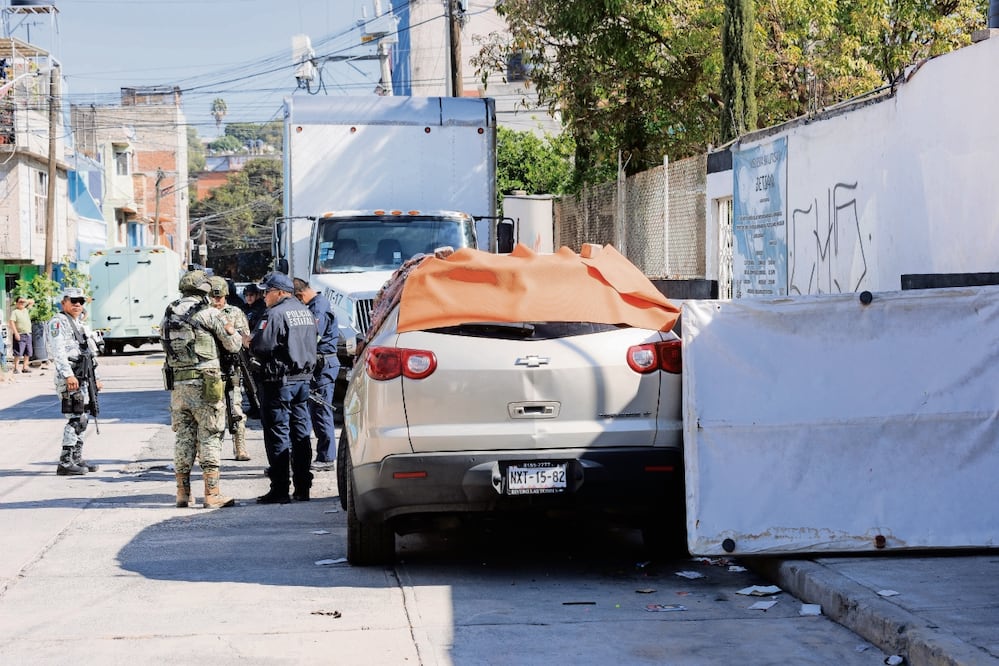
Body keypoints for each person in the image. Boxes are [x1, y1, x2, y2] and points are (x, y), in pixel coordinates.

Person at [161, 269, 243, 509]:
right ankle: (212, 493)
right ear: (205, 290)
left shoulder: (168, 313)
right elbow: (234, 344)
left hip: (178, 385)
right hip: (206, 384)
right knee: (210, 433)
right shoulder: (208, 313)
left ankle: (182, 493)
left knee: (184, 437)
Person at [245, 271, 317, 504]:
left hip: (279, 382)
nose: (264, 296)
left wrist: (247, 340)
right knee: (301, 433)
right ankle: (303, 487)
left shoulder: (274, 314)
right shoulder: (304, 311)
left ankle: (280, 489)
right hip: (302, 381)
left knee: (278, 434)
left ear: (279, 292)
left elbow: (261, 345)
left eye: (267, 292)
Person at [47, 288, 102, 476]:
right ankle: (65, 462)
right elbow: (58, 352)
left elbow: (89, 352)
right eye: (73, 301)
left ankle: (76, 458)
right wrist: (68, 375)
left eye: (81, 301)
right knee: (75, 418)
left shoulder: (78, 323)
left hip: (83, 375)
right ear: (64, 303)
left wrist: (97, 378)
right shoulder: (58, 322)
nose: (77, 304)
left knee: (83, 418)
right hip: (70, 375)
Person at [292, 277, 340, 471]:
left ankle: (327, 457)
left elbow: (313, 336)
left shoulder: (318, 308)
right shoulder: (316, 304)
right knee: (316, 410)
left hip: (323, 365)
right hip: (320, 364)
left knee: (321, 411)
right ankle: (324, 455)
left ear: (300, 295)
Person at [208, 276, 252, 462]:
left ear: (226, 296)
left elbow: (245, 337)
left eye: (220, 297)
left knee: (235, 409)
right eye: (213, 296)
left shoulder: (235, 312)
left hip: (232, 367)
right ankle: (212, 449)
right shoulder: (204, 313)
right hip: (211, 369)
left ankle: (240, 447)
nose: (216, 301)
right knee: (213, 411)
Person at [9, 296, 35, 374]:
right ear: (16, 303)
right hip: (20, 334)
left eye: (23, 302)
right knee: (18, 352)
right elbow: (11, 322)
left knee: (28, 352)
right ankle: (16, 368)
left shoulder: (26, 310)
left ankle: (25, 367)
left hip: (28, 333)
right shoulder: (15, 312)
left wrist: (24, 300)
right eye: (20, 302)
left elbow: (32, 301)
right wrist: (16, 333)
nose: (22, 303)